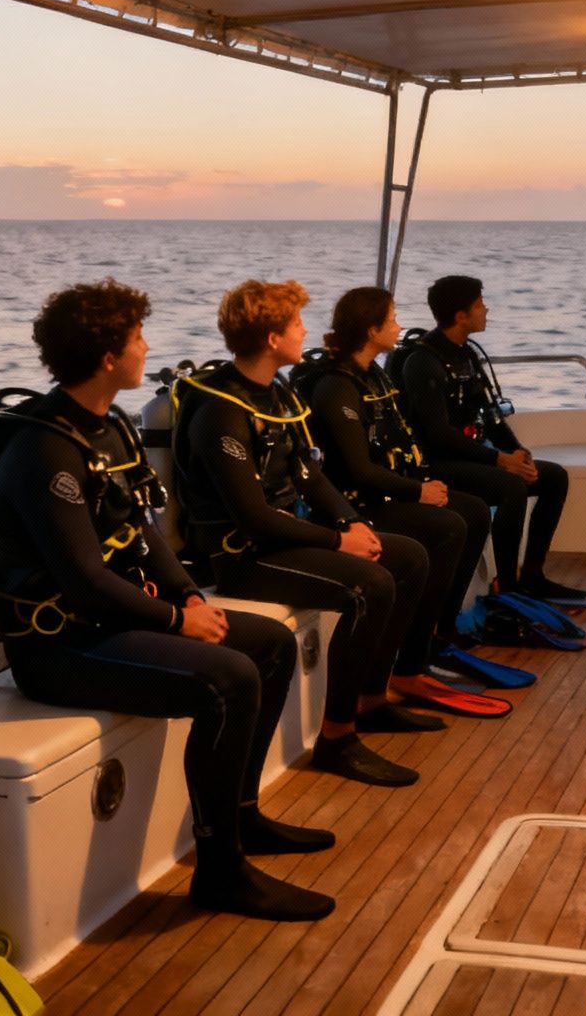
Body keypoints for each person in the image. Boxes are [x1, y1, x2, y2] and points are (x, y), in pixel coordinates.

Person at [0, 279, 334, 922]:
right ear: (110, 355)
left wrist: (191, 597)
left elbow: (141, 533)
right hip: (59, 646)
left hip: (114, 623)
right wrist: (175, 620)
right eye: (137, 338)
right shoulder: (44, 448)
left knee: (270, 646)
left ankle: (243, 820)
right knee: (228, 679)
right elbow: (83, 577)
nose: (146, 348)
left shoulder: (108, 429)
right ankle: (220, 872)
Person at [172, 279, 434, 790]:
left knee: (409, 557)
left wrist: (350, 521)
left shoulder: (279, 393)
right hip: (242, 555)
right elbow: (252, 518)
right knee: (371, 584)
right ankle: (338, 737)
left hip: (283, 539)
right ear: (272, 337)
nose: (306, 330)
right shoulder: (220, 411)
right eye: (295, 323)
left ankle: (373, 698)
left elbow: (309, 473)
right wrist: (339, 542)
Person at [301, 286, 503, 715]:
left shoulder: (374, 375)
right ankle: (408, 664)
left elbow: (398, 446)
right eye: (391, 320)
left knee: (468, 510)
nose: (398, 326)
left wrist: (425, 482)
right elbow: (357, 470)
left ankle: (433, 639)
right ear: (372, 330)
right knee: (447, 527)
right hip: (355, 507)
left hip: (385, 491)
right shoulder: (336, 387)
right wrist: (418, 491)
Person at [394, 275, 584, 601]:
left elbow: (491, 415)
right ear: (461, 316)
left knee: (553, 477)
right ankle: (506, 588)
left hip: (472, 456)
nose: (486, 310)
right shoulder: (422, 362)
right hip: (436, 463)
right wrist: (500, 460)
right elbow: (438, 435)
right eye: (480, 304)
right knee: (510, 487)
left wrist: (518, 453)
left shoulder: (466, 354)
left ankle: (533, 575)